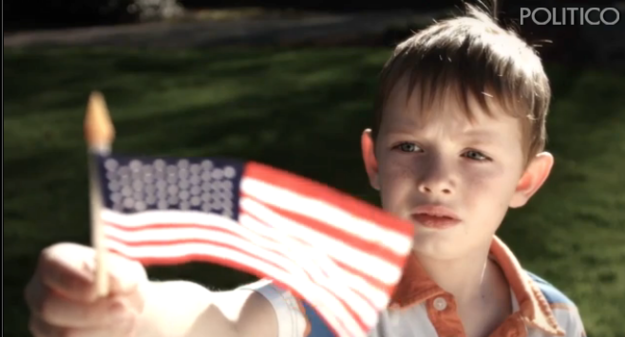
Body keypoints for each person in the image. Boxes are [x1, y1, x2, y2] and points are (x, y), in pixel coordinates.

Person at [24, 4, 587, 337]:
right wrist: (133, 308)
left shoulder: (557, 317)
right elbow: (220, 320)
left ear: (526, 180)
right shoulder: (329, 295)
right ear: (373, 159)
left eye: (475, 154)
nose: (437, 177)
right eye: (411, 146)